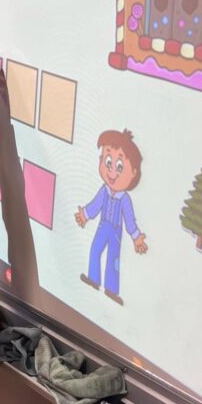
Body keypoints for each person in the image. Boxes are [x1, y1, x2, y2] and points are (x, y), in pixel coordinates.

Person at [76, 129, 148, 306]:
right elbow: (95, 205)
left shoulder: (124, 199)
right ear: (101, 160)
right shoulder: (104, 190)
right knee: (95, 250)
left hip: (116, 231)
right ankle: (93, 279)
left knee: (113, 259)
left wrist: (136, 236)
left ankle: (111, 289)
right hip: (103, 226)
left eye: (120, 166)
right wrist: (85, 214)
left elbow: (129, 220)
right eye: (108, 162)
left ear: (133, 172)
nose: (112, 172)